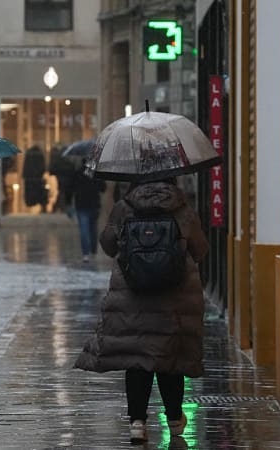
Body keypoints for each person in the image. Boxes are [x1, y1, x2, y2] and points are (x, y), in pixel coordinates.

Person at [74, 177, 208, 444]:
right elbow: (200, 249)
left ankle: (137, 422)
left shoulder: (125, 208)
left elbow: (108, 245)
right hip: (174, 297)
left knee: (137, 358)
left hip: (132, 296)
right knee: (170, 357)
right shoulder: (182, 209)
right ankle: (173, 419)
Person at [72, 161, 106, 262]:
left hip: (81, 204)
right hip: (94, 204)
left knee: (84, 229)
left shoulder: (77, 173)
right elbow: (103, 188)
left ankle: (85, 254)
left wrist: (68, 202)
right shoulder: (96, 174)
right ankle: (93, 251)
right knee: (93, 228)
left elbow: (70, 188)